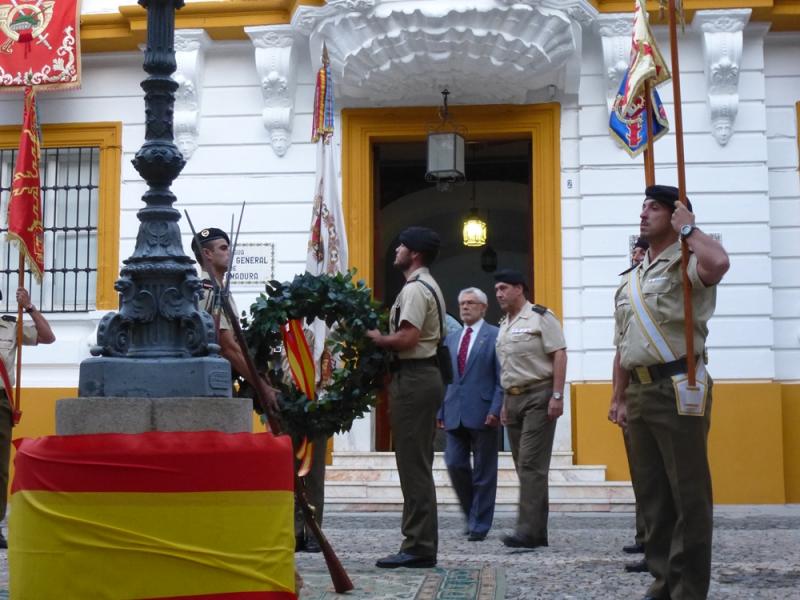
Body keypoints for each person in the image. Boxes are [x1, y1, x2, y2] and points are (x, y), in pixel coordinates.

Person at [612, 185, 729, 600]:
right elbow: (623, 343)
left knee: (688, 495)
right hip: (641, 391)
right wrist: (618, 397)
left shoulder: (688, 263)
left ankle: (688, 589)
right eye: (643, 206)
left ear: (676, 214)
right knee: (653, 499)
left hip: (680, 386)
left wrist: (689, 229)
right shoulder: (634, 275)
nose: (643, 214)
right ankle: (662, 581)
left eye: (655, 208)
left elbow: (720, 263)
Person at [367, 226, 445, 569]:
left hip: (414, 377)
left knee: (413, 466)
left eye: (401, 245)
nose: (396, 249)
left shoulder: (415, 290)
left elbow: (408, 338)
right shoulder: (424, 286)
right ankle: (419, 542)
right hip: (419, 377)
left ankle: (418, 545)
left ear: (414, 253)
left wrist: (375, 338)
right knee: (416, 463)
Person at [494, 269, 567, 549]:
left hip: (539, 394)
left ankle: (527, 531)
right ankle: (537, 530)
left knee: (531, 464)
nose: (498, 293)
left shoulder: (540, 316)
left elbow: (559, 352)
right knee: (524, 465)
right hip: (512, 398)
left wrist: (557, 395)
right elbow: (508, 367)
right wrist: (504, 403)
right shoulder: (504, 323)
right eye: (497, 289)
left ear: (519, 288)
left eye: (503, 288)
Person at [436, 287, 503, 542]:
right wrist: (441, 409)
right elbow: (446, 379)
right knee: (454, 463)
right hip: (454, 411)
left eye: (471, 303)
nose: (465, 307)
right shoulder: (451, 339)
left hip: (484, 410)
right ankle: (472, 512)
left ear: (483, 308)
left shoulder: (495, 336)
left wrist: (496, 408)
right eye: (462, 303)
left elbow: (501, 378)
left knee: (484, 472)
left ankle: (480, 524)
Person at [191, 227, 277, 408]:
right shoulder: (206, 292)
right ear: (207, 254)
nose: (229, 253)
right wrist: (263, 388)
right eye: (223, 248)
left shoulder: (222, 292)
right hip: (206, 386)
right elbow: (228, 348)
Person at [0, 287, 55, 548]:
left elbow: (48, 337)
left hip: (0, 401)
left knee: (0, 467)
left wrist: (30, 307)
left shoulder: (10, 327)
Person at [609, 235, 651, 574]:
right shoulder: (628, 288)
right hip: (634, 387)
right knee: (641, 470)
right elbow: (621, 350)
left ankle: (659, 541)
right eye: (634, 252)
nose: (636, 257)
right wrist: (616, 396)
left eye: (641, 252)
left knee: (659, 474)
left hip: (664, 382)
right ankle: (646, 534)